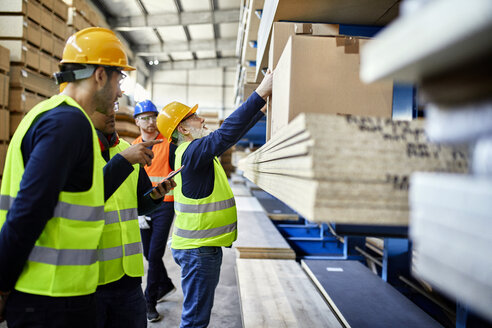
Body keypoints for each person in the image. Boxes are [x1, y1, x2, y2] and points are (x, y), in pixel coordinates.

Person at [0, 27, 151, 327]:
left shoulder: (49, 114)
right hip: (51, 301)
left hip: (56, 295)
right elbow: (28, 212)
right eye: (119, 78)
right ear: (99, 75)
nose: (120, 90)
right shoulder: (68, 124)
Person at [156, 70, 273, 328]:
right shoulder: (193, 152)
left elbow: (230, 134)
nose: (202, 118)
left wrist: (261, 111)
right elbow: (226, 134)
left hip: (199, 247)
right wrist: (260, 93)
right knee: (195, 321)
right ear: (184, 129)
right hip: (199, 250)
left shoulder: (192, 151)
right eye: (194, 117)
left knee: (197, 316)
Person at [90, 103, 176, 327]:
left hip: (129, 278)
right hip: (92, 278)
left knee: (154, 255)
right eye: (104, 107)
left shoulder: (127, 150)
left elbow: (140, 204)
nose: (111, 112)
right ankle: (164, 285)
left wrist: (156, 197)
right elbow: (87, 198)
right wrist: (123, 161)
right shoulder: (81, 153)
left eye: (112, 108)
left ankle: (155, 293)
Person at [132, 100, 178, 322]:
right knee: (147, 253)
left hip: (165, 205)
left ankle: (148, 301)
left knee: (154, 254)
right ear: (137, 121)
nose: (150, 122)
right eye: (145, 118)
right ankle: (166, 285)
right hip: (143, 206)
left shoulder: (168, 143)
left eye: (153, 117)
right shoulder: (132, 146)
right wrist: (138, 211)